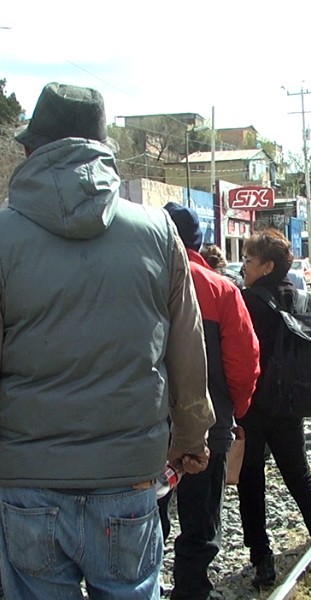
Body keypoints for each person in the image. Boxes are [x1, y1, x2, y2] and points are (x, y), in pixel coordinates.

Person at [0, 81, 215, 599]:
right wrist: (190, 439)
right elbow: (187, 350)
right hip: (129, 479)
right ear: (102, 151)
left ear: (30, 150)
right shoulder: (159, 232)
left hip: (26, 477)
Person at [236, 230, 311, 589]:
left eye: (250, 260)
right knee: (300, 480)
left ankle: (262, 564)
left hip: (254, 406)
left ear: (267, 266)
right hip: (291, 406)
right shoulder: (305, 301)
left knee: (251, 481)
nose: (244, 266)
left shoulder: (247, 301)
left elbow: (238, 357)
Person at [160, 204, 261, 600]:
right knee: (200, 521)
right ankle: (192, 591)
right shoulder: (221, 289)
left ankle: (144, 585)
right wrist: (234, 411)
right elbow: (244, 362)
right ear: (198, 241)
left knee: (148, 517)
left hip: (146, 425)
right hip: (207, 425)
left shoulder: (137, 278)